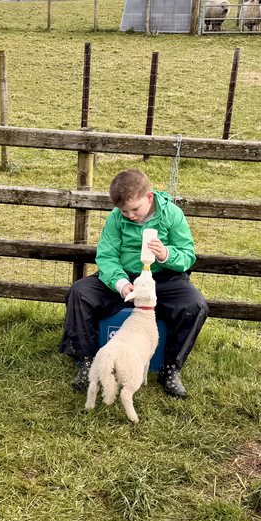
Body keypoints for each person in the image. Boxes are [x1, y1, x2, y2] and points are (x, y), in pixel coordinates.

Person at [61, 169, 209, 398]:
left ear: (149, 197)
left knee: (195, 305)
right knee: (80, 292)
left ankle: (170, 368)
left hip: (163, 278)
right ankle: (86, 361)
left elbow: (188, 255)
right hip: (125, 275)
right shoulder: (115, 218)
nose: (129, 215)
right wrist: (120, 283)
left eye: (135, 209)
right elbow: (107, 255)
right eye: (124, 211)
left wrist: (166, 254)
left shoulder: (172, 214)